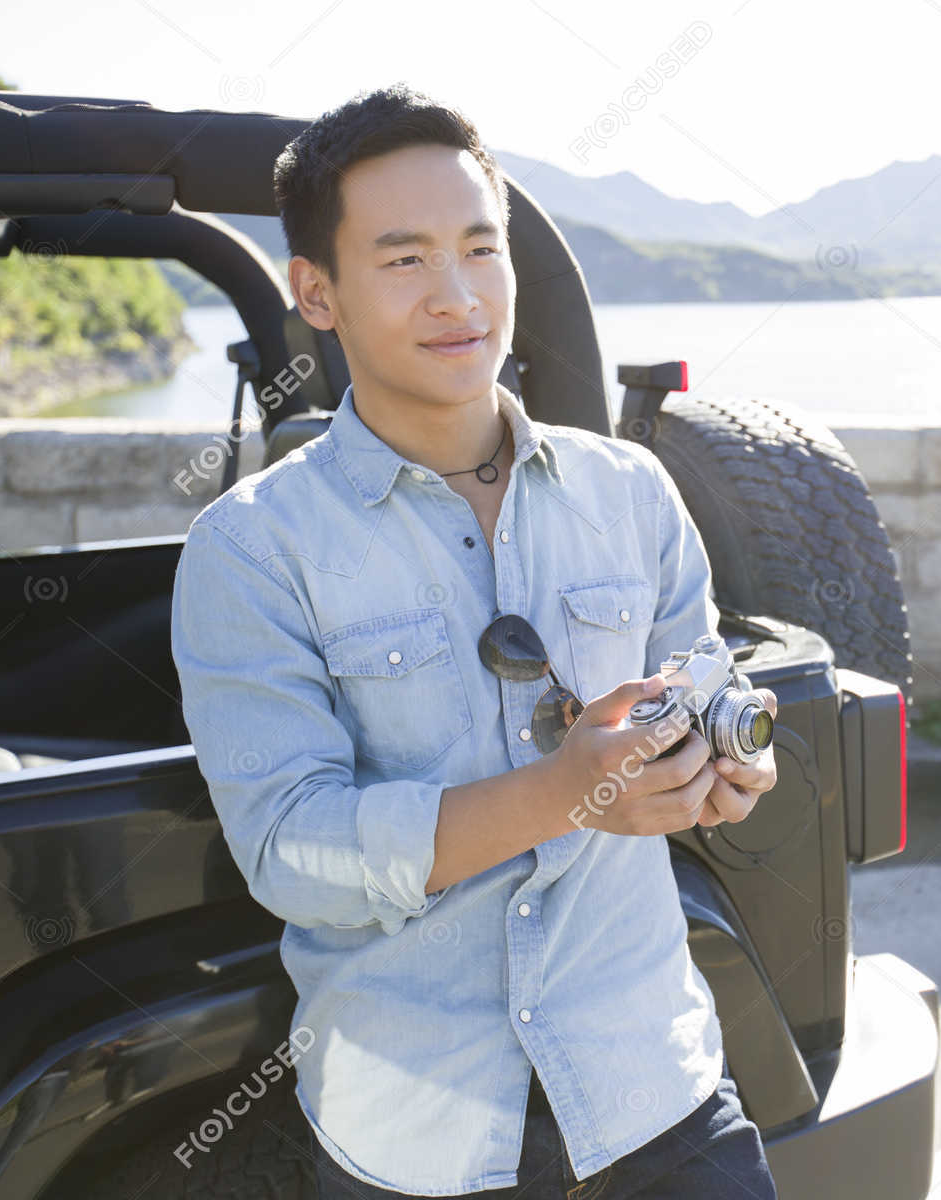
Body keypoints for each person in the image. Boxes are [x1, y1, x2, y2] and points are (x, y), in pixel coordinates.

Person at [169, 83, 779, 1199]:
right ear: (317, 290)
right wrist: (566, 790)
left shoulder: (631, 490)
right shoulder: (251, 549)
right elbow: (291, 853)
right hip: (416, 1136)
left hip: (662, 1097)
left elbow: (705, 684)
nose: (457, 297)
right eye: (402, 260)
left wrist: (729, 766)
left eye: (479, 249)